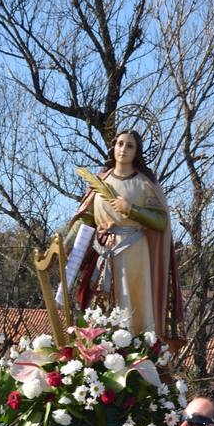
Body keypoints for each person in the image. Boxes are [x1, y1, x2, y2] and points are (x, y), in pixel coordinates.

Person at [68, 130, 181, 339]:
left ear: (137, 151)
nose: (123, 149)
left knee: (132, 303)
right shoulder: (100, 180)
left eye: (130, 145)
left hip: (133, 251)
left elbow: (161, 220)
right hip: (101, 250)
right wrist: (62, 245)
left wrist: (131, 209)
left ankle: (133, 347)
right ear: (114, 147)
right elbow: (86, 217)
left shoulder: (144, 184)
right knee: (97, 301)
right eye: (120, 143)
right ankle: (96, 347)